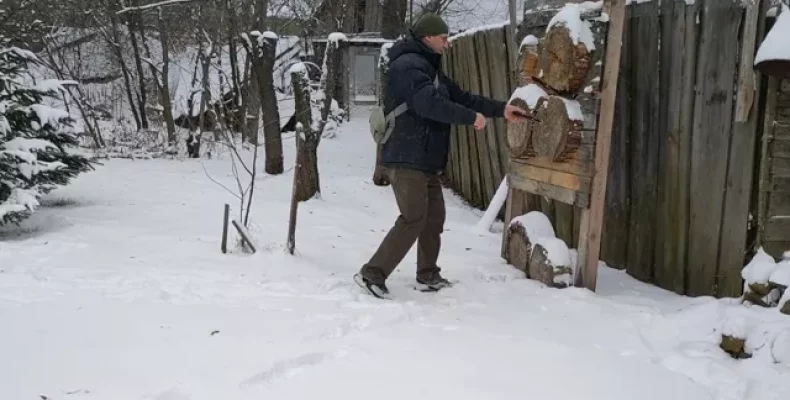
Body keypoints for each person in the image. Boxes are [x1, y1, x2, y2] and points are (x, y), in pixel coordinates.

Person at [353, 13, 529, 298]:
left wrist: (502, 110)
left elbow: (461, 97)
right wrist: (470, 118)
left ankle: (428, 274)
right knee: (414, 217)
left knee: (434, 218)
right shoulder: (408, 65)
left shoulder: (427, 67)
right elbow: (427, 103)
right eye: (444, 39)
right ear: (428, 37)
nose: (446, 45)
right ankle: (373, 273)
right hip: (406, 154)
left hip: (423, 158)